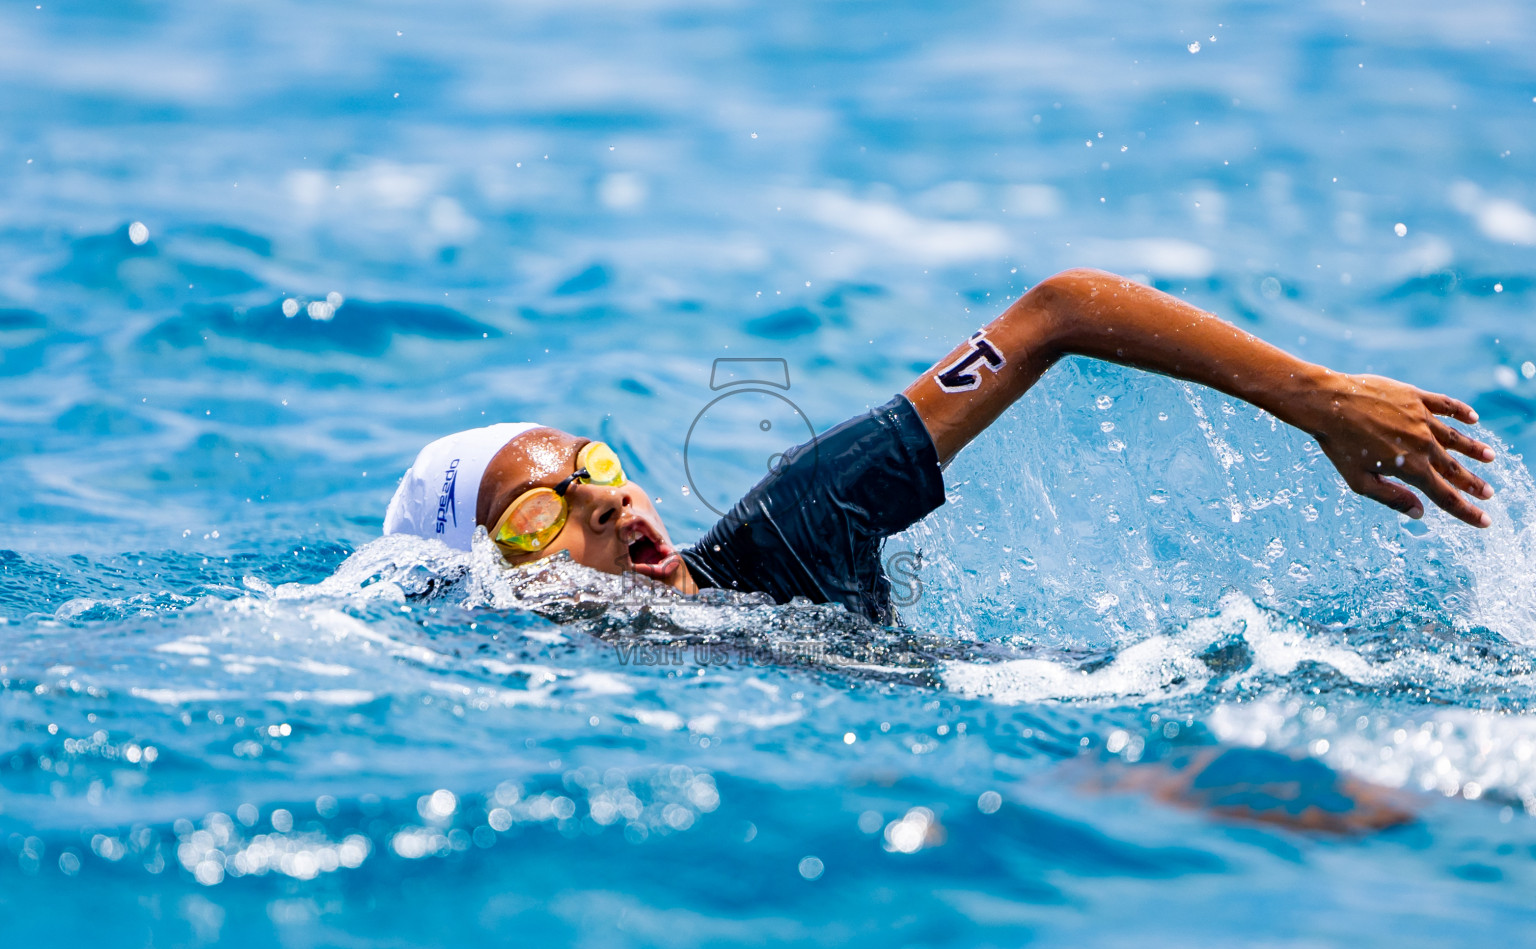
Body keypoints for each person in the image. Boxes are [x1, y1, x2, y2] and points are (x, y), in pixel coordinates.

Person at [383, 268, 1496, 624]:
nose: (609, 508)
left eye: (599, 470)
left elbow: (1057, 309)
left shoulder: (786, 533)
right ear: (494, 582)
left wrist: (1317, 398)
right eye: (542, 517)